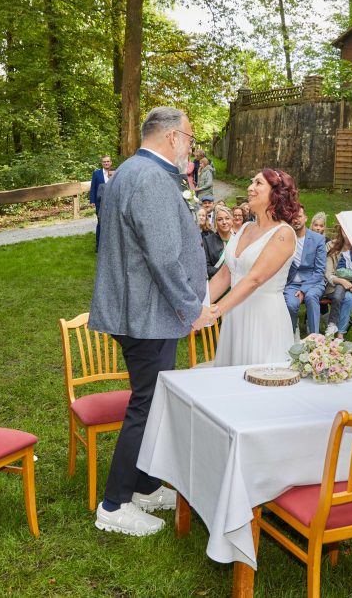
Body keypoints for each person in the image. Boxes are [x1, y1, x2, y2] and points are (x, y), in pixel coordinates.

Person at [88, 106, 212, 537]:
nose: (191, 147)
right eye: (190, 138)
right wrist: (192, 308)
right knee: (146, 405)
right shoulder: (152, 178)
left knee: (153, 402)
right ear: (173, 137)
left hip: (139, 310)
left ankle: (144, 487)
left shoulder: (129, 171)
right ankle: (114, 504)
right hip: (147, 314)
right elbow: (163, 257)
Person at [209, 169, 299, 366]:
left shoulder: (283, 233)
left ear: (276, 193)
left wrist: (214, 312)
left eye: (258, 183)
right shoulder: (245, 228)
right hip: (235, 314)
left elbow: (254, 279)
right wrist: (200, 305)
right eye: (251, 182)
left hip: (263, 318)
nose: (250, 188)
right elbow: (225, 275)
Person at [283, 204, 326, 335]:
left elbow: (320, 270)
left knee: (311, 297)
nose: (296, 220)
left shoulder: (318, 239)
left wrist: (304, 290)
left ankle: (314, 336)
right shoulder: (285, 238)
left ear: (306, 218)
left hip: (313, 282)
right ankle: (292, 332)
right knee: (291, 304)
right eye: (293, 217)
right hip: (292, 283)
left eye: (299, 216)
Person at [89, 154, 113, 251]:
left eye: (108, 161)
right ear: (102, 163)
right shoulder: (96, 174)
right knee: (101, 223)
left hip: (113, 202)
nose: (106, 163)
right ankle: (98, 246)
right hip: (100, 203)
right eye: (104, 162)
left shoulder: (116, 172)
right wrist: (92, 201)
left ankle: (111, 246)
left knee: (113, 224)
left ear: (111, 162)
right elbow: (93, 188)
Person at [202, 205, 233, 278]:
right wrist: (224, 273)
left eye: (227, 218)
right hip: (216, 281)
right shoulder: (207, 241)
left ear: (232, 220)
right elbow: (205, 266)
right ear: (215, 222)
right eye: (220, 219)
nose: (224, 222)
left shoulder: (239, 238)